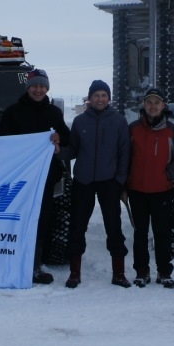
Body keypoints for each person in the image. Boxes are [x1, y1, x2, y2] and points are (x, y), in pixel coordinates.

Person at [0, 68, 71, 285]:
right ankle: (10, 260)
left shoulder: (54, 113)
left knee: (41, 220)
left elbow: (66, 137)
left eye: (42, 86)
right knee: (16, 219)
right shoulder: (12, 112)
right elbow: (1, 141)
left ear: (47, 88)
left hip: (45, 176)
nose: (38, 90)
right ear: (27, 88)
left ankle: (35, 264)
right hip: (18, 178)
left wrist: (59, 138)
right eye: (34, 86)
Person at [61, 79, 131, 288]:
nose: (100, 99)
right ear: (89, 99)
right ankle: (75, 272)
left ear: (108, 98)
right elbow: (72, 150)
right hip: (83, 181)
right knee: (77, 226)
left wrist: (120, 180)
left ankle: (119, 273)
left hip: (109, 181)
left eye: (103, 95)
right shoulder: (80, 122)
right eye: (96, 95)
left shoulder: (119, 121)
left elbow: (124, 153)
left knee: (114, 227)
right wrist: (57, 151)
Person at [126, 87, 174, 289]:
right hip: (137, 191)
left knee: (163, 234)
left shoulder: (172, 131)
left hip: (163, 190)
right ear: (144, 105)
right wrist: (124, 183)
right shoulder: (133, 129)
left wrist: (169, 174)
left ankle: (164, 272)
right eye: (149, 102)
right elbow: (123, 157)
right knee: (140, 234)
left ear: (164, 106)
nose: (153, 106)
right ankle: (142, 272)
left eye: (157, 102)